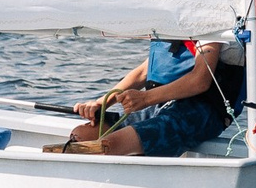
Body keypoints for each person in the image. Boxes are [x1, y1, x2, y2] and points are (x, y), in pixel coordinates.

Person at [52, 36, 245, 157]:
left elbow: (199, 81)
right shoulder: (170, 22)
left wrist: (144, 99)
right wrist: (102, 103)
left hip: (198, 111)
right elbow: (144, 72)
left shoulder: (210, 22)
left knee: (110, 145)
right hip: (158, 105)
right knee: (82, 135)